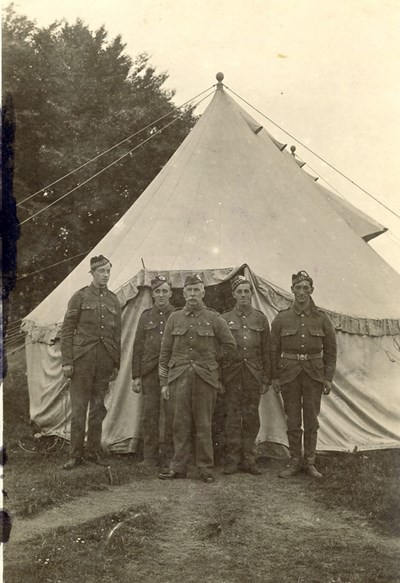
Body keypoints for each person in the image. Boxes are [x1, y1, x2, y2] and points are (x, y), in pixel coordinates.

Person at [158, 274, 236, 483]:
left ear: (203, 293)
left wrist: (213, 361)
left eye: (196, 290)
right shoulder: (174, 318)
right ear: (183, 294)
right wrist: (164, 383)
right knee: (179, 424)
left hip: (205, 378)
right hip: (179, 377)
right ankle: (179, 466)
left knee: (203, 424)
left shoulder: (214, 318)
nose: (192, 294)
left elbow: (229, 346)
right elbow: (165, 352)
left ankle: (205, 468)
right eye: (189, 291)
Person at [270, 270, 337, 478]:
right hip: (289, 373)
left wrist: (328, 378)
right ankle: (294, 461)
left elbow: (331, 350)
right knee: (292, 419)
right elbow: (272, 350)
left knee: (311, 419)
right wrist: (274, 377)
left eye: (305, 288)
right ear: (291, 290)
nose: (301, 292)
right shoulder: (281, 318)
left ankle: (309, 462)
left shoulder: (322, 319)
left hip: (313, 374)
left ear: (311, 290)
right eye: (297, 288)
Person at [60, 255, 121, 470]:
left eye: (108, 271)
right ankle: (75, 455)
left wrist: (116, 363)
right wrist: (67, 361)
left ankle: (94, 451)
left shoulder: (114, 300)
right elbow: (67, 331)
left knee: (98, 408)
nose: (105, 275)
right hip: (82, 361)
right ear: (92, 273)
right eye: (101, 271)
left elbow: (116, 335)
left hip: (104, 362)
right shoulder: (80, 297)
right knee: (79, 409)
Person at [221, 275, 271, 475]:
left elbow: (267, 350)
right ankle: (233, 460)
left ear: (251, 294)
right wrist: (219, 378)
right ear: (233, 294)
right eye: (239, 292)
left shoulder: (260, 318)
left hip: (253, 374)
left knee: (251, 416)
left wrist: (266, 377)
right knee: (232, 416)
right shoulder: (224, 319)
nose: (243, 295)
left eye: (246, 291)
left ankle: (249, 459)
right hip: (232, 375)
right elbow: (219, 351)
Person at [131, 275, 175, 471]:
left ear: (171, 293)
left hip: (172, 373)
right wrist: (136, 376)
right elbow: (138, 347)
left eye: (165, 291)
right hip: (149, 372)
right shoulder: (146, 316)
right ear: (153, 294)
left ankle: (169, 456)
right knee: (150, 414)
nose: (161, 295)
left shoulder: (177, 315)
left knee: (171, 415)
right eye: (158, 291)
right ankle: (150, 456)